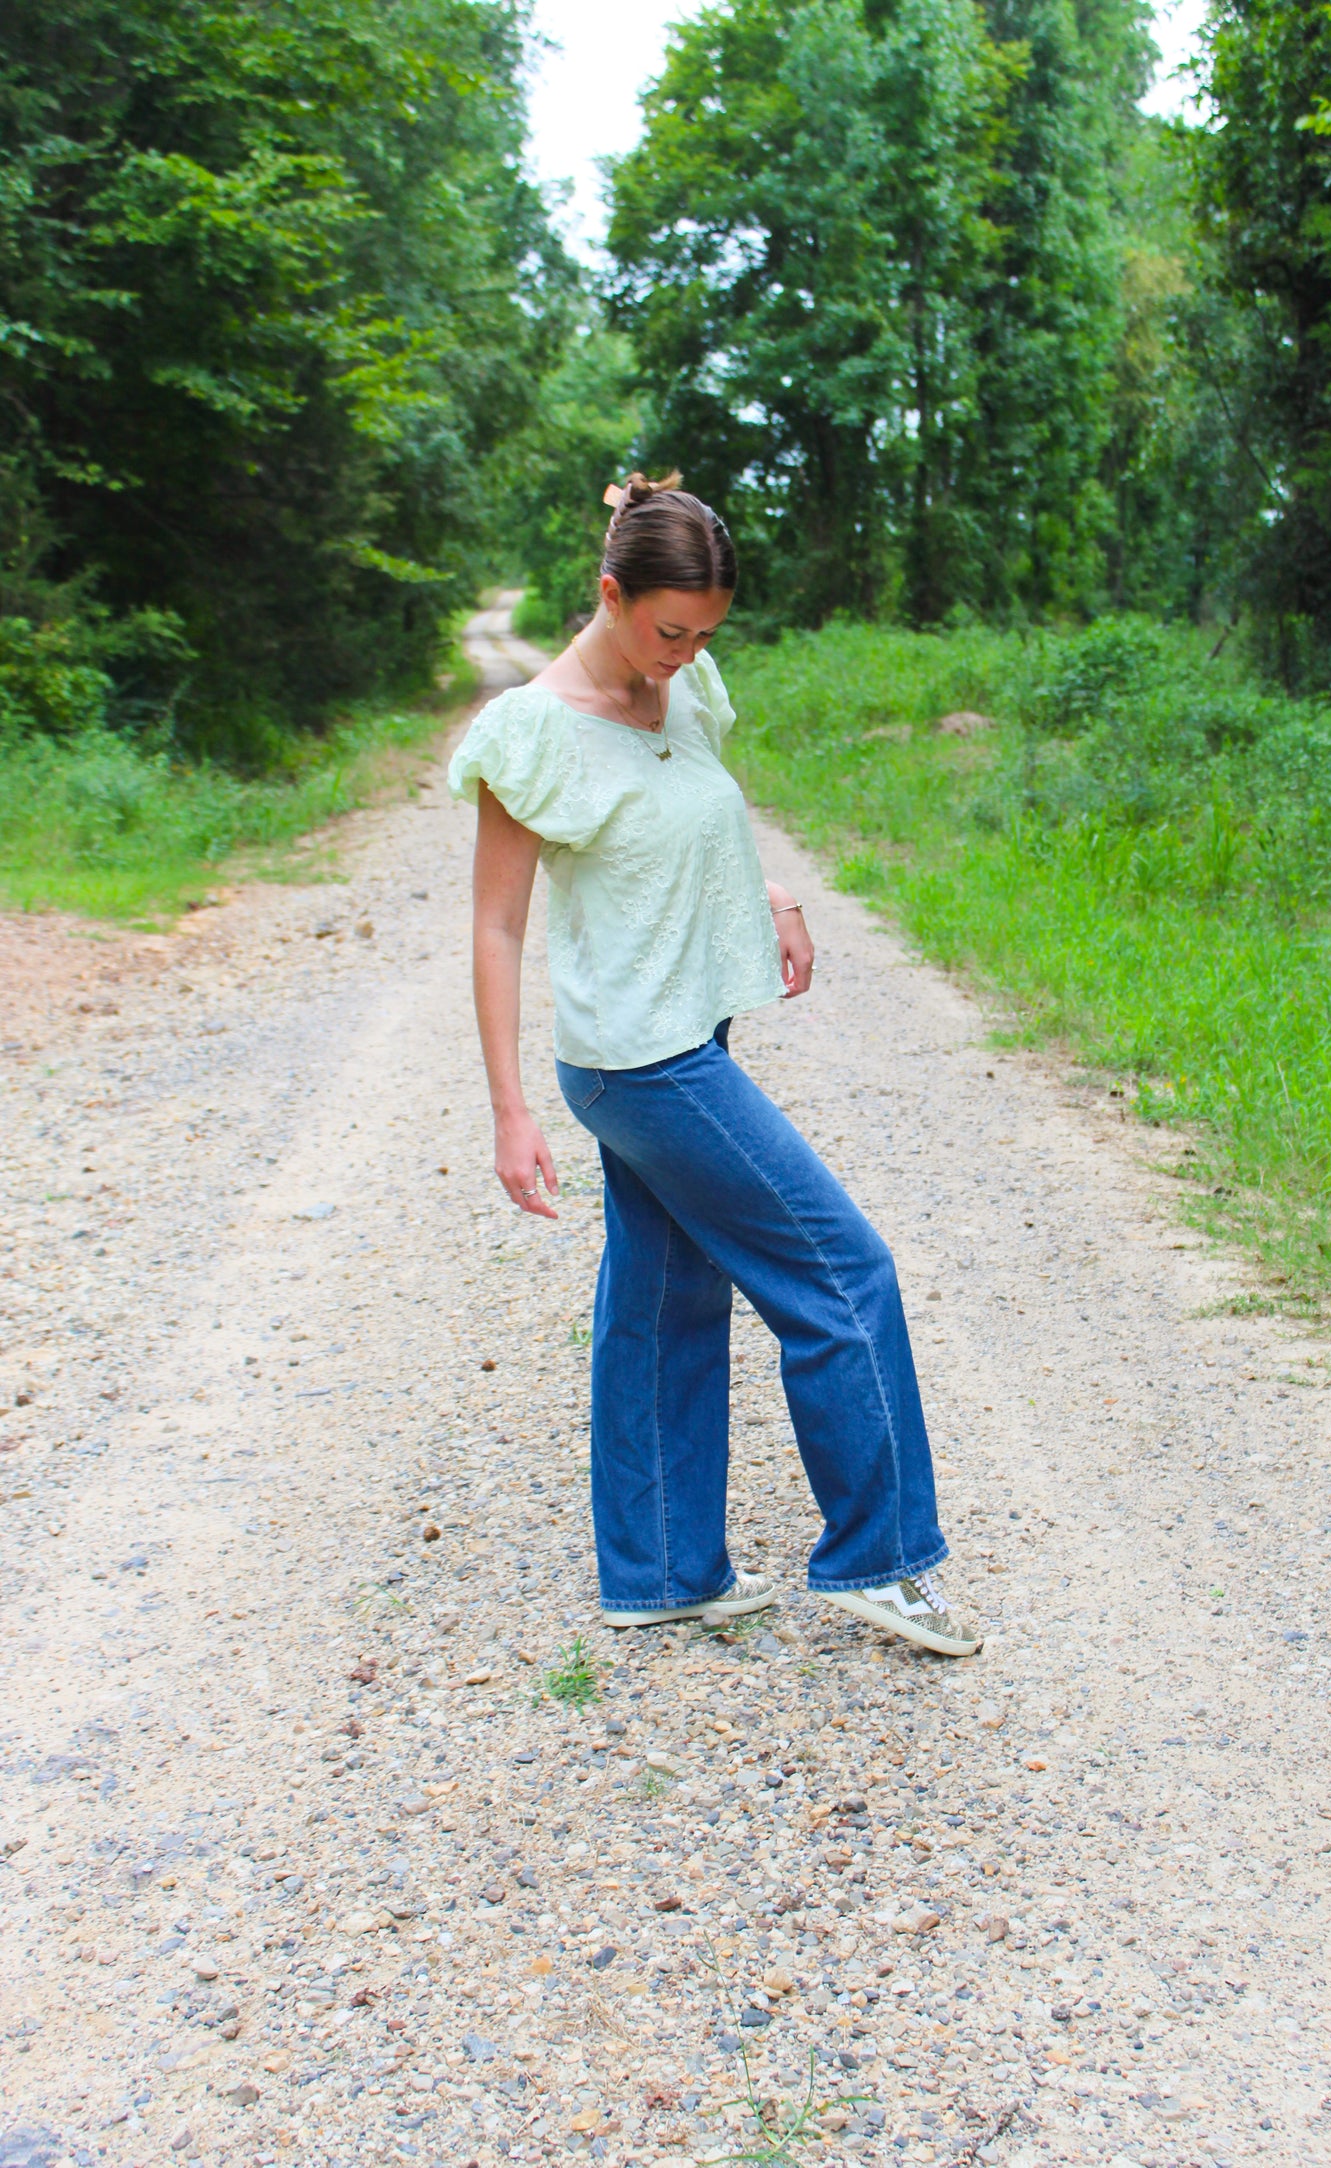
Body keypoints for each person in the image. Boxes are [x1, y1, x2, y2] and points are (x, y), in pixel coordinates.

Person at [450, 472, 978, 1658]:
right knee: (845, 1275)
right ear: (608, 593)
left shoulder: (674, 692)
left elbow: (691, 822)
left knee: (661, 1301)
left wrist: (772, 890)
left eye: (703, 634)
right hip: (640, 1063)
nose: (683, 656)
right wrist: (506, 1110)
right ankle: (877, 1558)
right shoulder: (537, 729)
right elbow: (496, 925)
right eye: (666, 628)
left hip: (686, 1036)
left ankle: (661, 1569)